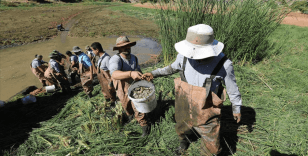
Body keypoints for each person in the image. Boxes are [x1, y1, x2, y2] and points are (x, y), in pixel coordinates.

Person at [142, 24, 242, 156]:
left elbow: (232, 89)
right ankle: (183, 143)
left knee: (211, 145)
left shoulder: (224, 64)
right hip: (184, 102)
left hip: (207, 109)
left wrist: (236, 108)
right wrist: (154, 73)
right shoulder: (183, 56)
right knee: (182, 127)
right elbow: (171, 68)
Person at [109, 36, 151, 137]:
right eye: (124, 46)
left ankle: (145, 129)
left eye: (128, 46)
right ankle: (131, 117)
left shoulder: (134, 58)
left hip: (134, 86)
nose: (127, 48)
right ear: (119, 49)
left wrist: (143, 76)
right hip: (122, 87)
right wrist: (130, 73)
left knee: (138, 106)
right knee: (126, 105)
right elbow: (114, 74)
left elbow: (138, 70)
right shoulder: (116, 59)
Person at [91, 42, 117, 106]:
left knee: (112, 95)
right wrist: (93, 63)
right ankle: (110, 103)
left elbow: (112, 73)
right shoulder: (100, 58)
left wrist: (110, 84)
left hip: (108, 81)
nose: (93, 52)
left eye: (93, 50)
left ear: (97, 50)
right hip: (103, 82)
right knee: (106, 95)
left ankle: (114, 105)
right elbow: (98, 71)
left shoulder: (107, 58)